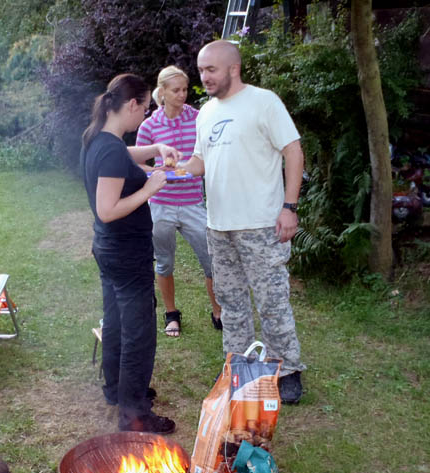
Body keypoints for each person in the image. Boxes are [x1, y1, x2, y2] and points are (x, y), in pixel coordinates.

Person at [179, 40, 306, 404]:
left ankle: (287, 370)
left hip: (261, 224)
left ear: (233, 69)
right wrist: (172, 168)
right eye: (200, 70)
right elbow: (200, 162)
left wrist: (289, 207)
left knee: (271, 301)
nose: (204, 77)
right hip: (219, 225)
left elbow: (293, 151)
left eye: (210, 70)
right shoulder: (206, 112)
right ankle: (238, 365)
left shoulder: (264, 102)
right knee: (230, 302)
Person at [80, 73, 181, 434]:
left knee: (116, 322)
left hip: (108, 249)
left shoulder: (99, 138)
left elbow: (124, 156)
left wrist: (157, 149)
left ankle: (116, 390)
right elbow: (107, 209)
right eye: (146, 107)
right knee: (138, 333)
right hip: (125, 252)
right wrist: (150, 187)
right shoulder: (109, 148)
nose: (146, 115)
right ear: (133, 104)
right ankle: (135, 414)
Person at [135, 65, 222, 338]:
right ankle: (171, 314)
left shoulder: (198, 119)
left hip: (193, 203)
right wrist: (157, 172)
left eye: (185, 89)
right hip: (161, 204)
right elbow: (138, 163)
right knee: (164, 263)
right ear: (162, 92)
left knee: (211, 260)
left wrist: (185, 168)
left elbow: (208, 157)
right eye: (176, 90)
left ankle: (218, 312)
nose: (182, 94)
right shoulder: (149, 126)